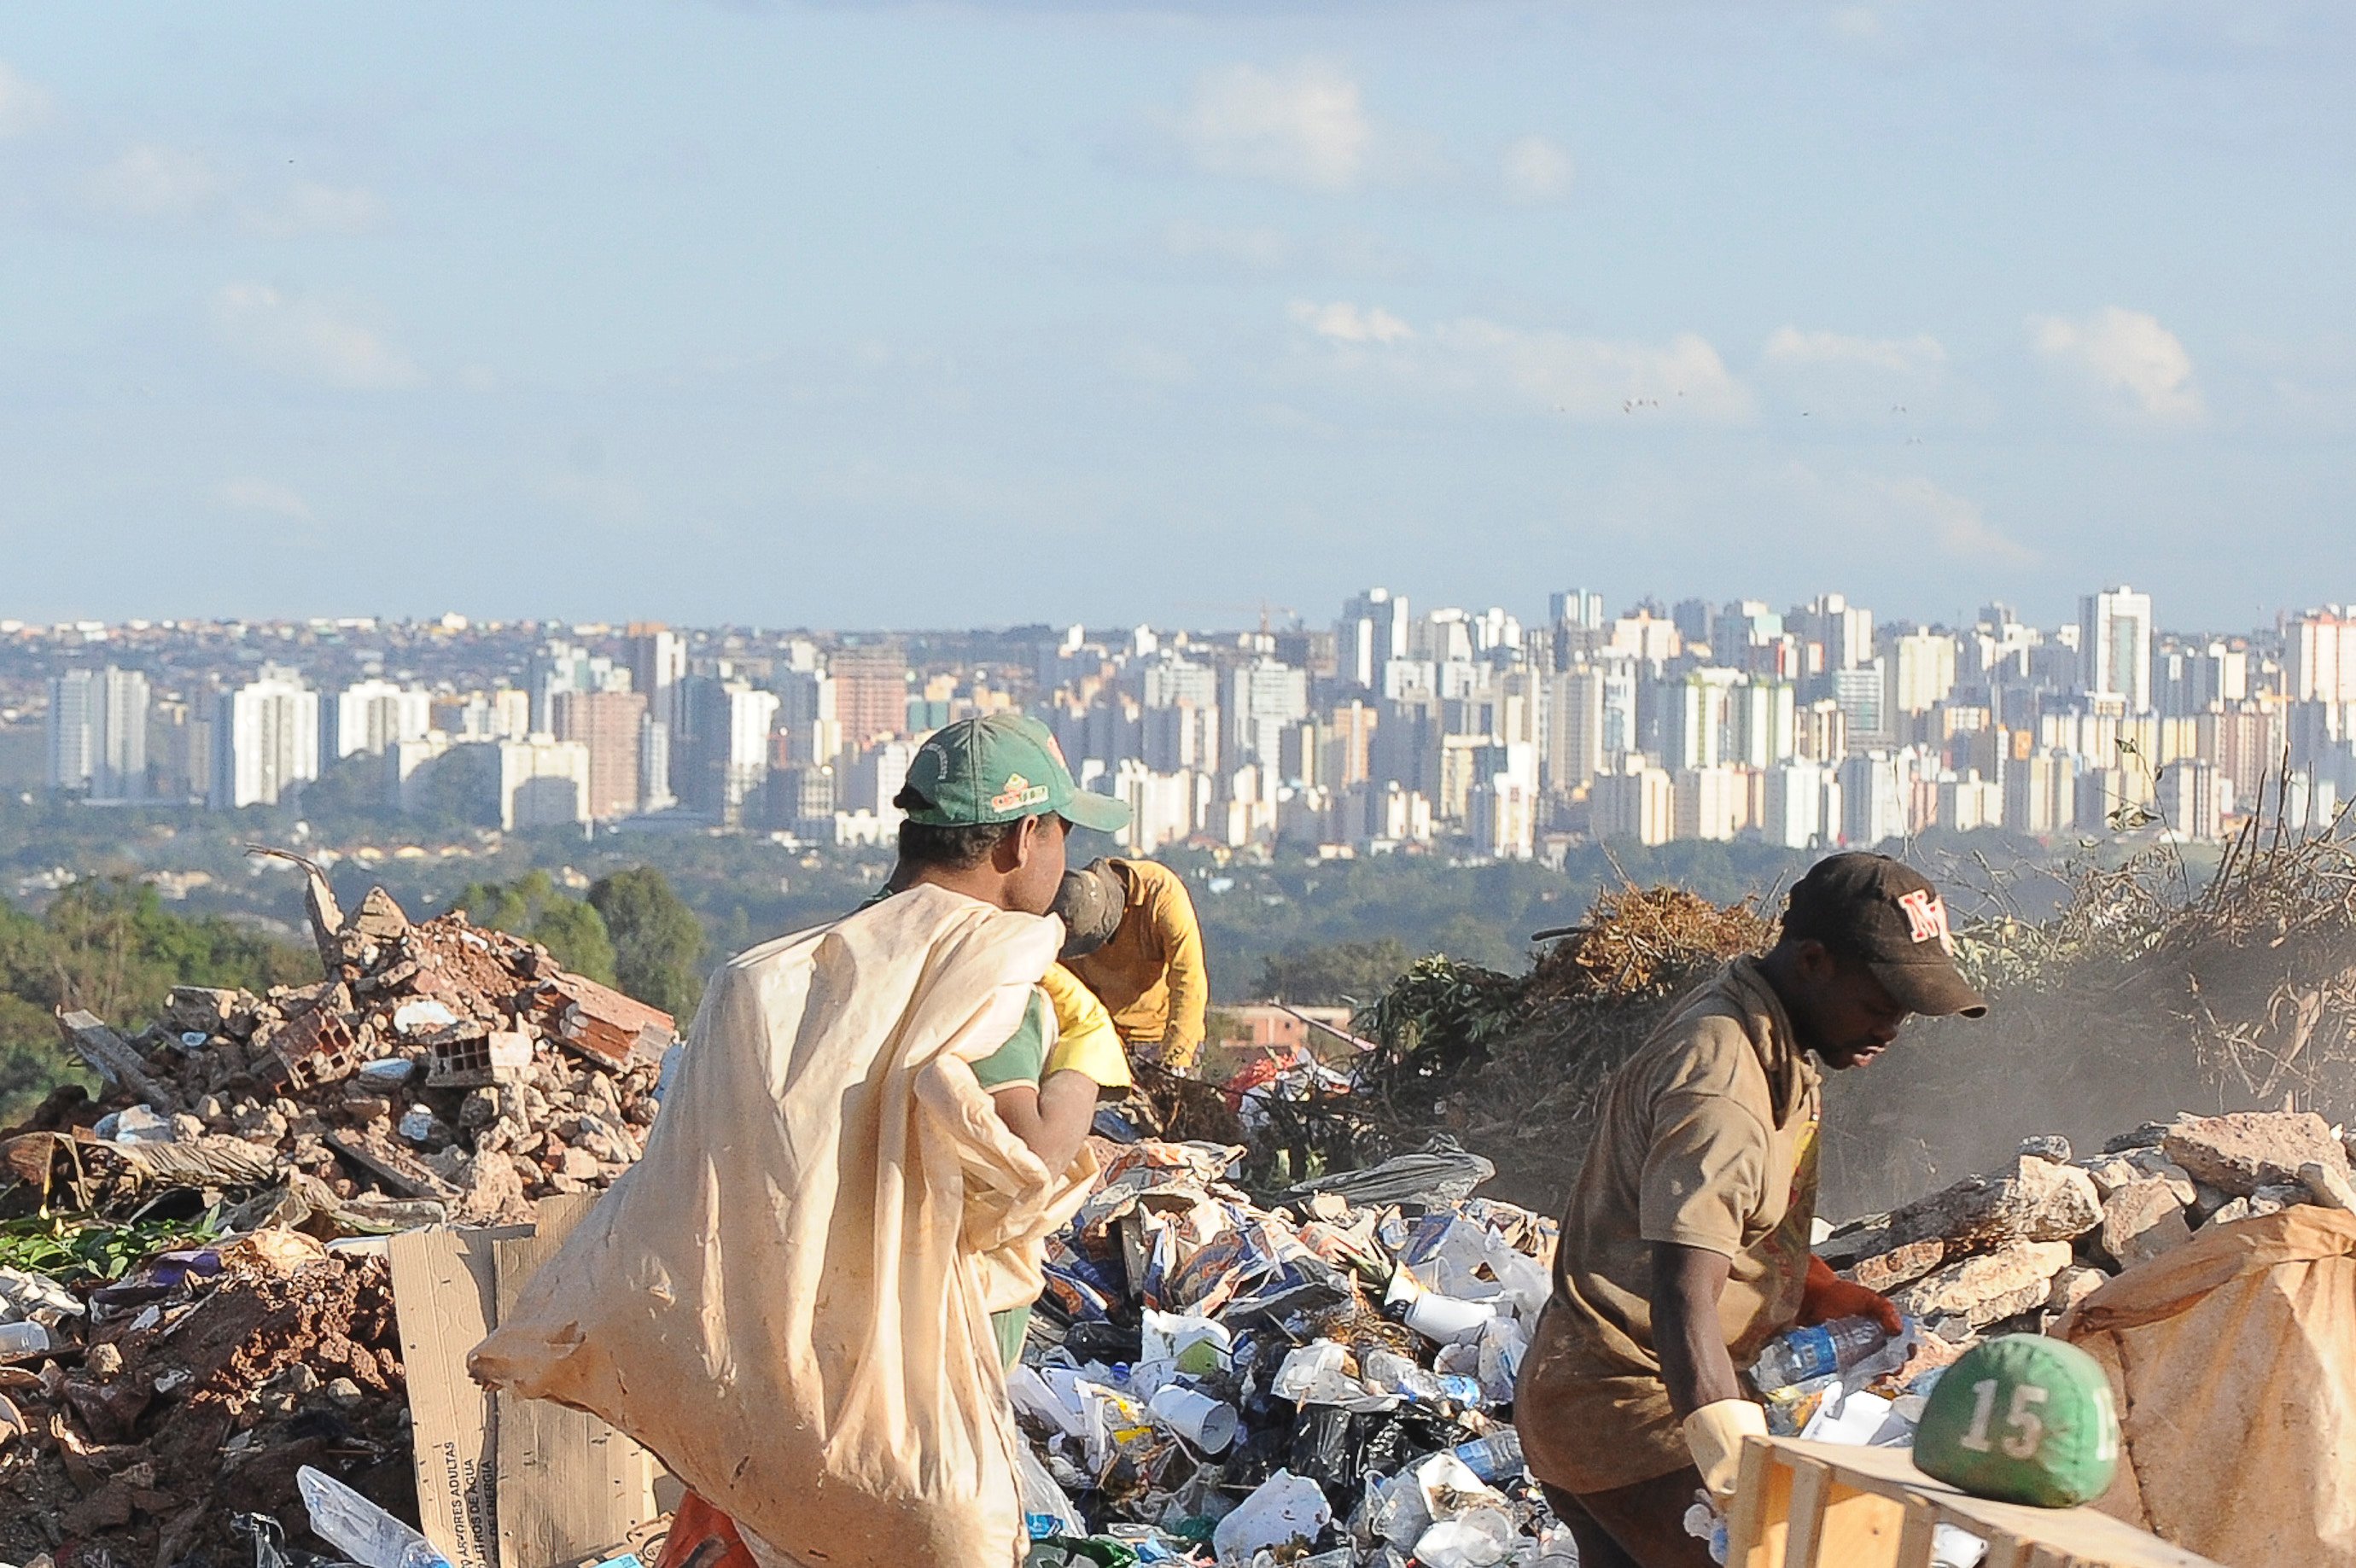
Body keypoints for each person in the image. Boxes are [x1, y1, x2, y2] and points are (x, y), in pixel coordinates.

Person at [1514, 853, 1988, 1568]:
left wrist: (1815, 1288)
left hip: (1585, 1400)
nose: (1892, 1027)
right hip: (1633, 1416)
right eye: (1881, 999)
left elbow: (1719, 1224)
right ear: (1814, 960)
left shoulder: (1767, 1032)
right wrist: (1736, 1479)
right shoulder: (1724, 1082)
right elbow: (1681, 1298)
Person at [864, 713, 1137, 1364]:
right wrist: (1082, 1053)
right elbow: (1033, 1153)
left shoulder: (852, 942)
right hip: (944, 1339)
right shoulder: (989, 970)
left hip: (838, 1308)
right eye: (1063, 831)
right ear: (1023, 838)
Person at [1053, 854, 1210, 1073]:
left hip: (1160, 1035)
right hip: (1103, 1039)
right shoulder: (1071, 904)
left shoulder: (1162, 894)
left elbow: (1188, 978)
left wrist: (1177, 1056)